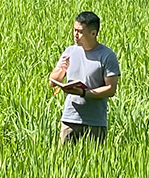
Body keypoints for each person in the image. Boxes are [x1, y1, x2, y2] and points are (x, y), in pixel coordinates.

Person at [48, 11, 120, 143]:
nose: (75, 35)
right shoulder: (70, 51)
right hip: (70, 119)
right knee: (62, 161)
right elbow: (53, 81)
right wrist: (61, 70)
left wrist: (84, 93)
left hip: (95, 122)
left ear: (93, 33)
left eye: (80, 31)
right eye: (74, 30)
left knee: (96, 161)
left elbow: (111, 89)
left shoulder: (107, 56)